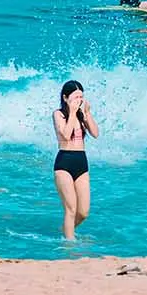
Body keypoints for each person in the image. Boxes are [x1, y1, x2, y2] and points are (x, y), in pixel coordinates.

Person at [52, 80, 98, 240]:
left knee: (83, 212)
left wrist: (87, 113)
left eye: (81, 97)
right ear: (66, 98)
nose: (79, 100)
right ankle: (69, 245)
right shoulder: (59, 114)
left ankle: (65, 230)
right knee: (70, 208)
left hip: (81, 162)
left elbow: (95, 133)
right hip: (64, 162)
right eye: (76, 97)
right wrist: (72, 112)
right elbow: (65, 134)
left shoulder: (81, 115)